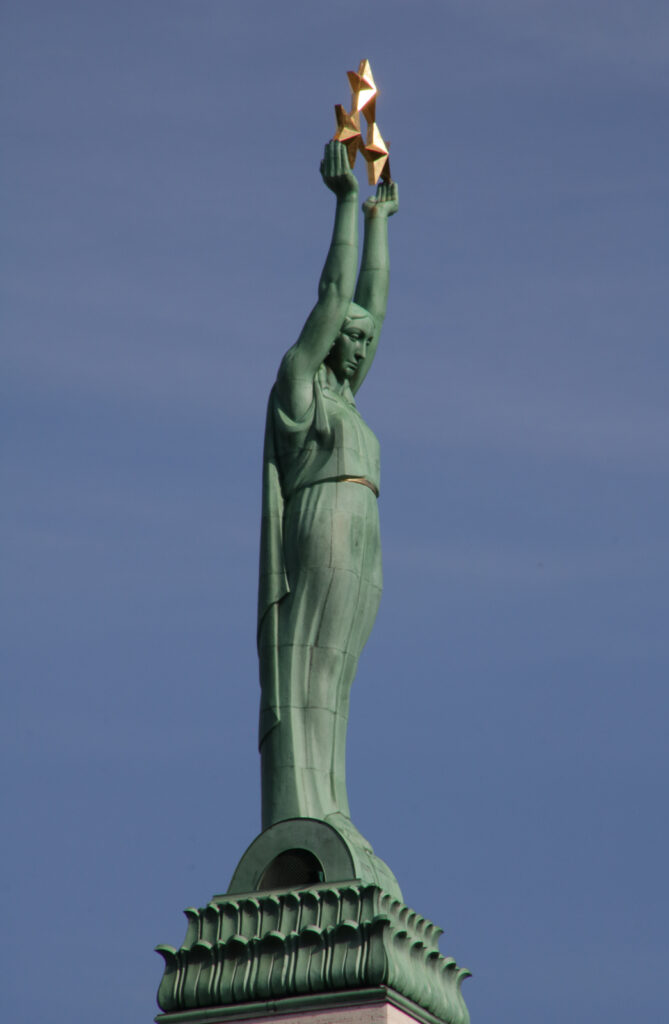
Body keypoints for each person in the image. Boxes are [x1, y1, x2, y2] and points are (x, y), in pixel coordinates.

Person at [257, 140, 399, 835]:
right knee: (310, 668)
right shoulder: (298, 387)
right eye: (352, 339)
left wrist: (380, 221)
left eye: (368, 342)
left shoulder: (346, 400)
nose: (363, 346)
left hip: (361, 532)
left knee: (337, 680)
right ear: (326, 339)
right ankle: (302, 807)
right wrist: (346, 206)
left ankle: (329, 804)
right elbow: (338, 296)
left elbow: (371, 304)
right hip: (323, 522)